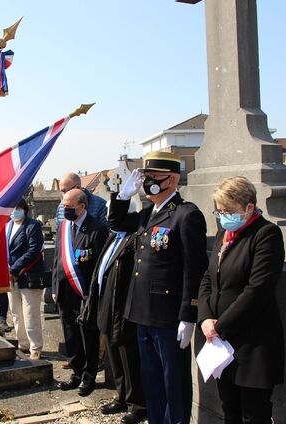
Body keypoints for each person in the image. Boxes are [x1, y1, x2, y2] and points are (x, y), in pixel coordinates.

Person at [108, 151, 208, 424]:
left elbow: (194, 268)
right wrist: (122, 196)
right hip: (142, 312)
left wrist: (189, 314)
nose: (147, 182)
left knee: (173, 382)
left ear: (172, 180)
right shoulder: (146, 215)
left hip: (168, 315)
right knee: (151, 380)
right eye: (145, 177)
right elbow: (116, 223)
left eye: (153, 177)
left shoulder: (186, 215)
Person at [198, 176, 285, 424]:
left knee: (253, 415)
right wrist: (204, 318)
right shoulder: (224, 234)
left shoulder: (266, 234)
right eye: (219, 210)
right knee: (230, 410)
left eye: (228, 211)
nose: (223, 216)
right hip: (222, 345)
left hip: (252, 343)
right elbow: (208, 277)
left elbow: (257, 290)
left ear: (249, 207)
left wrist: (220, 325)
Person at [82, 230, 147, 424]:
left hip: (121, 305)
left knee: (128, 357)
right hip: (105, 301)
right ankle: (121, 397)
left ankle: (137, 404)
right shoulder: (112, 236)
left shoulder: (133, 238)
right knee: (114, 356)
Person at [53, 189, 109, 396]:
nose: (65, 210)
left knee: (88, 337)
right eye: (63, 205)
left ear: (82, 206)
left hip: (85, 293)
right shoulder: (64, 227)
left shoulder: (97, 230)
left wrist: (92, 294)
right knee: (71, 336)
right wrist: (54, 288)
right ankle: (76, 373)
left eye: (68, 206)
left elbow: (98, 268)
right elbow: (57, 259)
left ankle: (89, 377)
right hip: (64, 292)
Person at [6, 198, 46, 360]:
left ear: (24, 208)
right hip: (10, 277)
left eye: (17, 207)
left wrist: (14, 268)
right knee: (16, 312)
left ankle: (35, 347)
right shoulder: (7, 226)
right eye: (12, 207)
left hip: (28, 276)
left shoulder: (33, 226)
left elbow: (34, 250)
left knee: (30, 313)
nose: (14, 210)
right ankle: (23, 344)